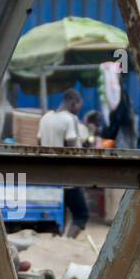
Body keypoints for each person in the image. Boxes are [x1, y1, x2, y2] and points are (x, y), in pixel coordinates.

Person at [39, 88, 91, 237]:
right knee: (81, 214)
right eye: (79, 104)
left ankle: (56, 243)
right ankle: (68, 243)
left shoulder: (45, 118)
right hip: (68, 178)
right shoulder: (70, 119)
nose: (79, 109)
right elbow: (72, 149)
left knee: (60, 214)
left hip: (49, 177)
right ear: (74, 102)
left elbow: (38, 144)